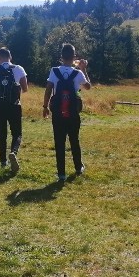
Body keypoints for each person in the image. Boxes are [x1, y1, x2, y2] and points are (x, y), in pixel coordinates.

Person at [42, 43, 91, 182]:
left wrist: (45, 107)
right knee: (74, 139)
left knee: (59, 142)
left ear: (61, 57)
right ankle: (78, 167)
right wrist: (83, 68)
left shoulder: (54, 71)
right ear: (74, 57)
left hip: (58, 113)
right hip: (73, 112)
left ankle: (61, 174)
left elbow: (48, 90)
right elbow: (88, 87)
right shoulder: (77, 73)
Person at [0, 47, 29, 172]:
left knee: (2, 133)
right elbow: (25, 88)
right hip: (14, 105)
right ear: (10, 57)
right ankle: (13, 153)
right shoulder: (19, 69)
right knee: (17, 133)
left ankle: (3, 162)